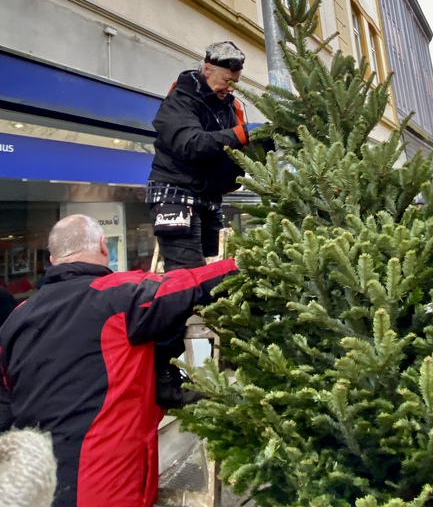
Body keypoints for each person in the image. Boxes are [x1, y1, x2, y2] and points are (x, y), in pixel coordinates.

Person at [0, 214, 237, 507]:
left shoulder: (16, 318)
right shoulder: (116, 296)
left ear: (52, 258)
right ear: (103, 245)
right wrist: (242, 265)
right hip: (104, 488)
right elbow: (184, 287)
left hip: (35, 488)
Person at [147, 41, 261, 404]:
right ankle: (159, 373)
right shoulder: (180, 99)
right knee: (184, 284)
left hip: (208, 202)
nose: (230, 87)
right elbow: (190, 145)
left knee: (211, 281)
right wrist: (245, 135)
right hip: (174, 199)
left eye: (235, 81)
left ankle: (222, 356)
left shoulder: (230, 107)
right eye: (225, 79)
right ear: (207, 68)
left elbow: (233, 152)